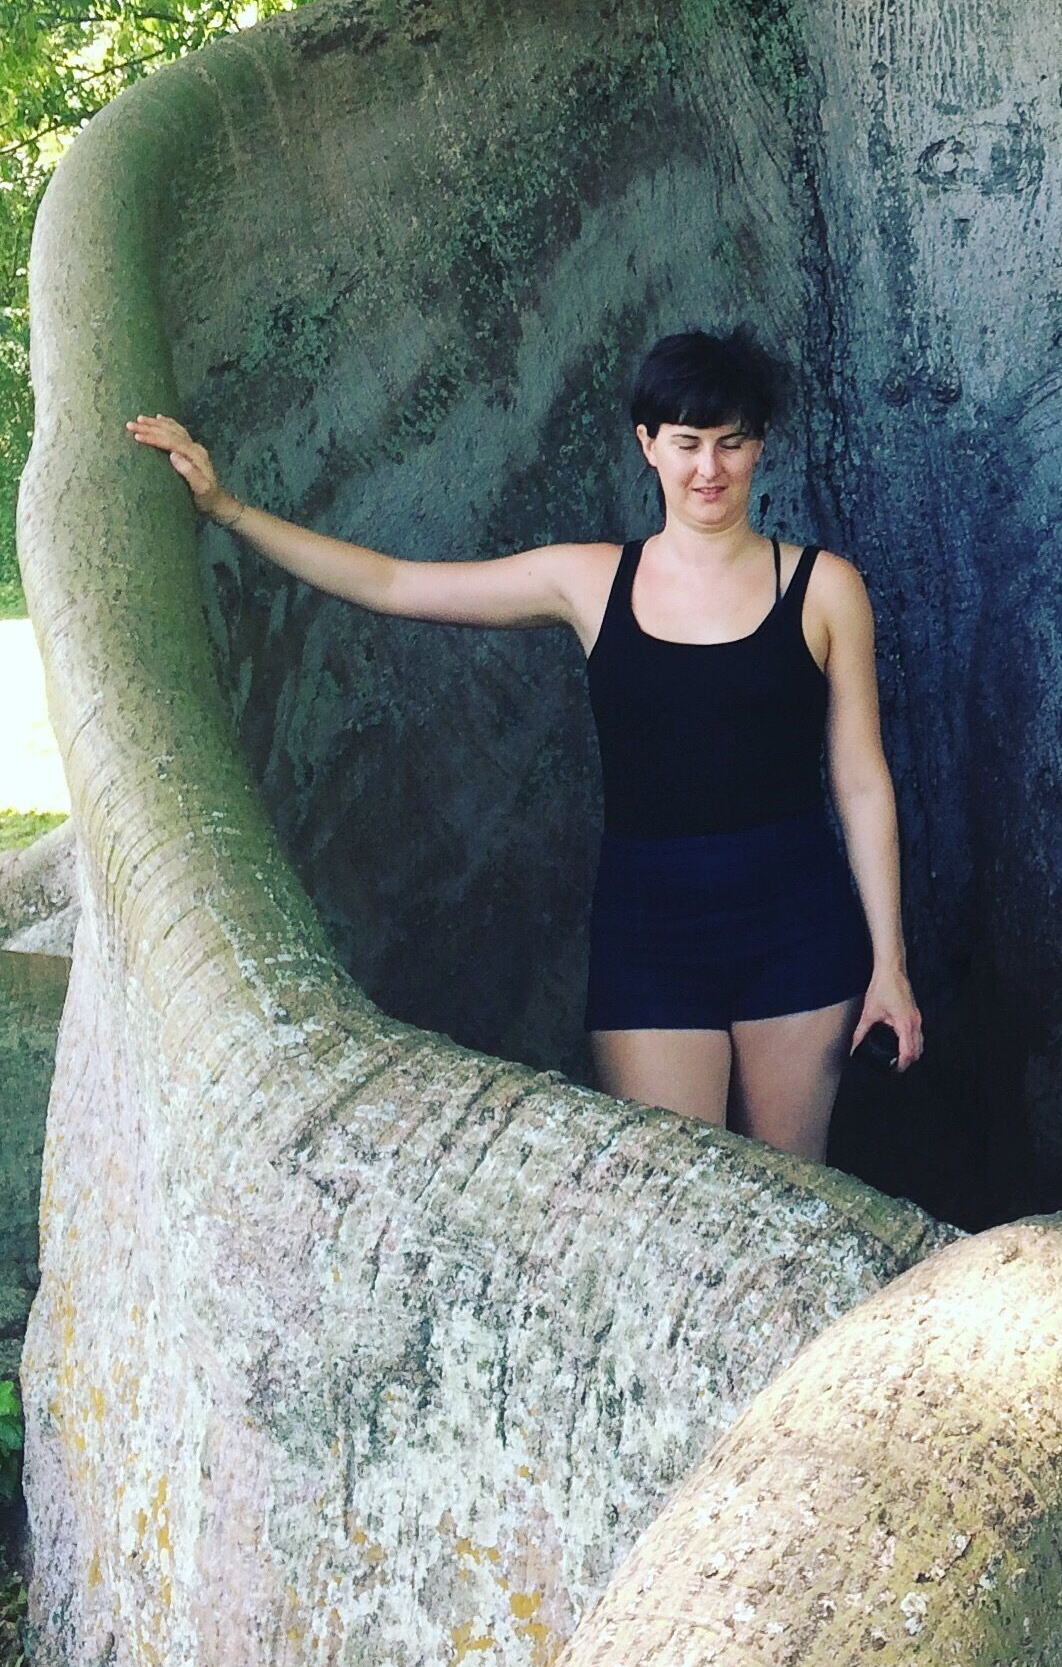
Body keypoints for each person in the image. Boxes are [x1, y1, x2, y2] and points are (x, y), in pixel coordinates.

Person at [128, 326, 921, 1163]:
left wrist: (889, 964)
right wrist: (226, 510)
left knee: (793, 1196)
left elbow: (861, 781)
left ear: (759, 446)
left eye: (731, 444)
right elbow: (395, 584)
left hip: (795, 924)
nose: (709, 470)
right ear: (647, 445)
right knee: (669, 1197)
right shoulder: (585, 580)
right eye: (686, 444)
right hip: (648, 930)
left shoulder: (825, 588)